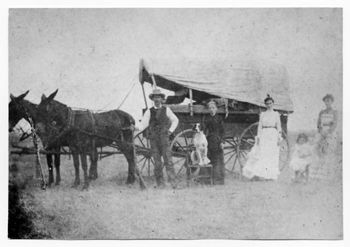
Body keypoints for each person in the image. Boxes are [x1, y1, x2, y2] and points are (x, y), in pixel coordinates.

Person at [134, 88, 179, 189]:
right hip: (154, 140)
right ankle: (160, 184)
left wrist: (170, 131)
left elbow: (175, 120)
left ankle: (173, 183)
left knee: (168, 161)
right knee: (157, 163)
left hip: (164, 138)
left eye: (159, 97)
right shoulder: (149, 112)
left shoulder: (166, 110)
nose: (157, 99)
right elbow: (143, 125)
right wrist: (135, 128)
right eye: (155, 97)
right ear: (153, 99)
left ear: (162, 99)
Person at [242, 94, 282, 181]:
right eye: (267, 103)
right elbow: (259, 127)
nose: (269, 105)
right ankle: (257, 174)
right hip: (264, 134)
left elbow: (279, 127)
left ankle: (270, 176)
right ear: (265, 105)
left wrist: (279, 137)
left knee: (271, 155)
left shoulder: (276, 114)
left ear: (273, 104)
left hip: (273, 134)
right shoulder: (263, 114)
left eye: (270, 103)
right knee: (261, 154)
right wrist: (258, 137)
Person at [309, 94, 338, 181]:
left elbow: (335, 124)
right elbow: (318, 123)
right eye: (326, 101)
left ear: (332, 102)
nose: (327, 102)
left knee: (328, 152)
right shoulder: (322, 112)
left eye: (329, 101)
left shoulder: (335, 112)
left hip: (331, 133)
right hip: (322, 132)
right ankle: (318, 174)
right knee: (317, 151)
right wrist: (321, 131)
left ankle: (328, 175)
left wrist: (328, 133)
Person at [203, 101, 225, 185]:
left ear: (216, 109)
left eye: (213, 108)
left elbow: (223, 131)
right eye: (210, 108)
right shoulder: (207, 118)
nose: (211, 110)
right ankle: (208, 179)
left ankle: (218, 180)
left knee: (218, 160)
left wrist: (222, 142)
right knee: (209, 159)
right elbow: (204, 130)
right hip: (209, 141)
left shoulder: (219, 119)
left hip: (218, 141)